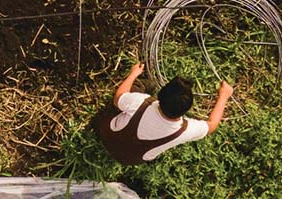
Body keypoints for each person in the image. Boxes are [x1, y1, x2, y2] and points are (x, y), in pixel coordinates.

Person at [95, 63, 234, 165]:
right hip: (129, 159)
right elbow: (212, 125)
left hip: (106, 134)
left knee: (145, 85)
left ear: (159, 96)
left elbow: (118, 97)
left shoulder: (142, 102)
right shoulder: (185, 130)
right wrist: (223, 96)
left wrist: (133, 74)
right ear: (187, 110)